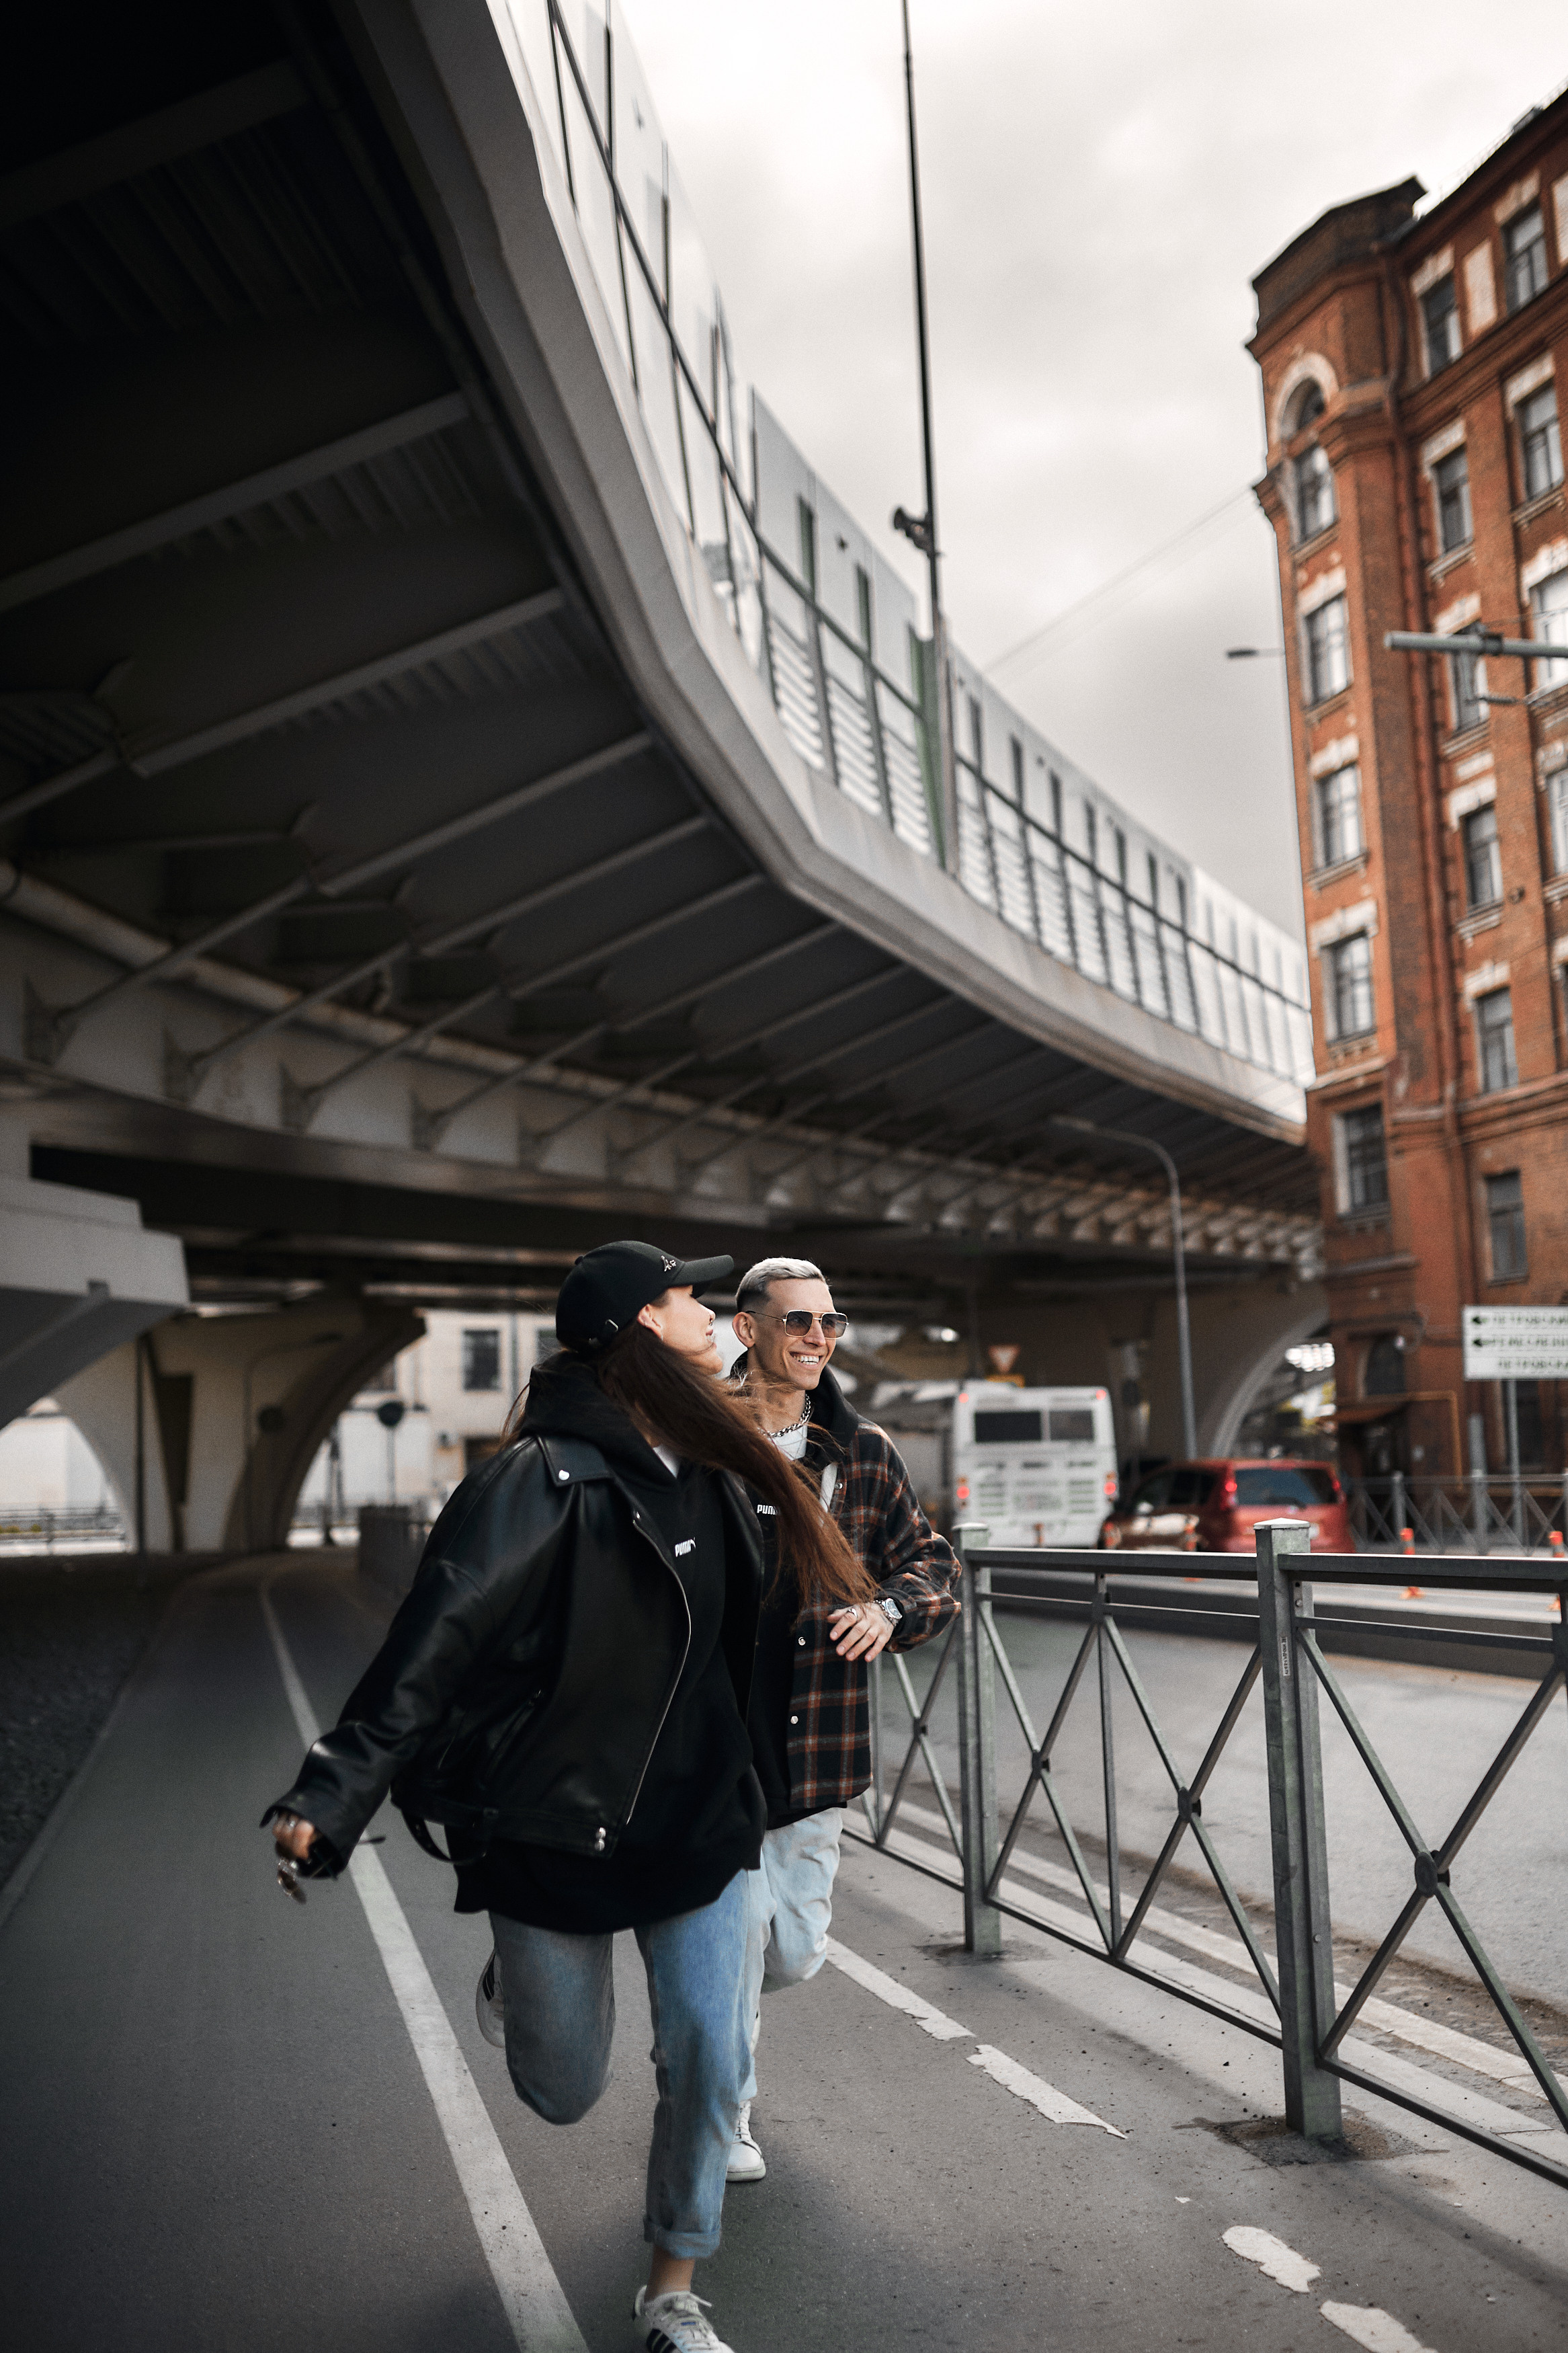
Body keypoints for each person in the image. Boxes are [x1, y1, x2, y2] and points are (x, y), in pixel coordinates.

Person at [265, 1240, 873, 2353]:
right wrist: (334, 1788)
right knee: (561, 2089)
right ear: (639, 1327)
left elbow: (752, 1642)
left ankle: (671, 2293)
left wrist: (776, 1777)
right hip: (557, 1825)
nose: (708, 1312)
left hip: (701, 1820)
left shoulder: (721, 1465)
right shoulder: (534, 1481)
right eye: (686, 1297)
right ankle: (518, 1973)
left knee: (712, 2061)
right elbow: (432, 1641)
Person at [725, 1255, 960, 2184]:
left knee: (792, 1953)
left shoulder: (862, 1450)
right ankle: (720, 2111)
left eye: (829, 1322)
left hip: (818, 1747)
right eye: (798, 1321)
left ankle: (699, 2022)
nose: (817, 1338)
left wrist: (890, 1609)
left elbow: (932, 1563)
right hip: (716, 1742)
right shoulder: (697, 1435)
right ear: (749, 1330)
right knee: (734, 1943)